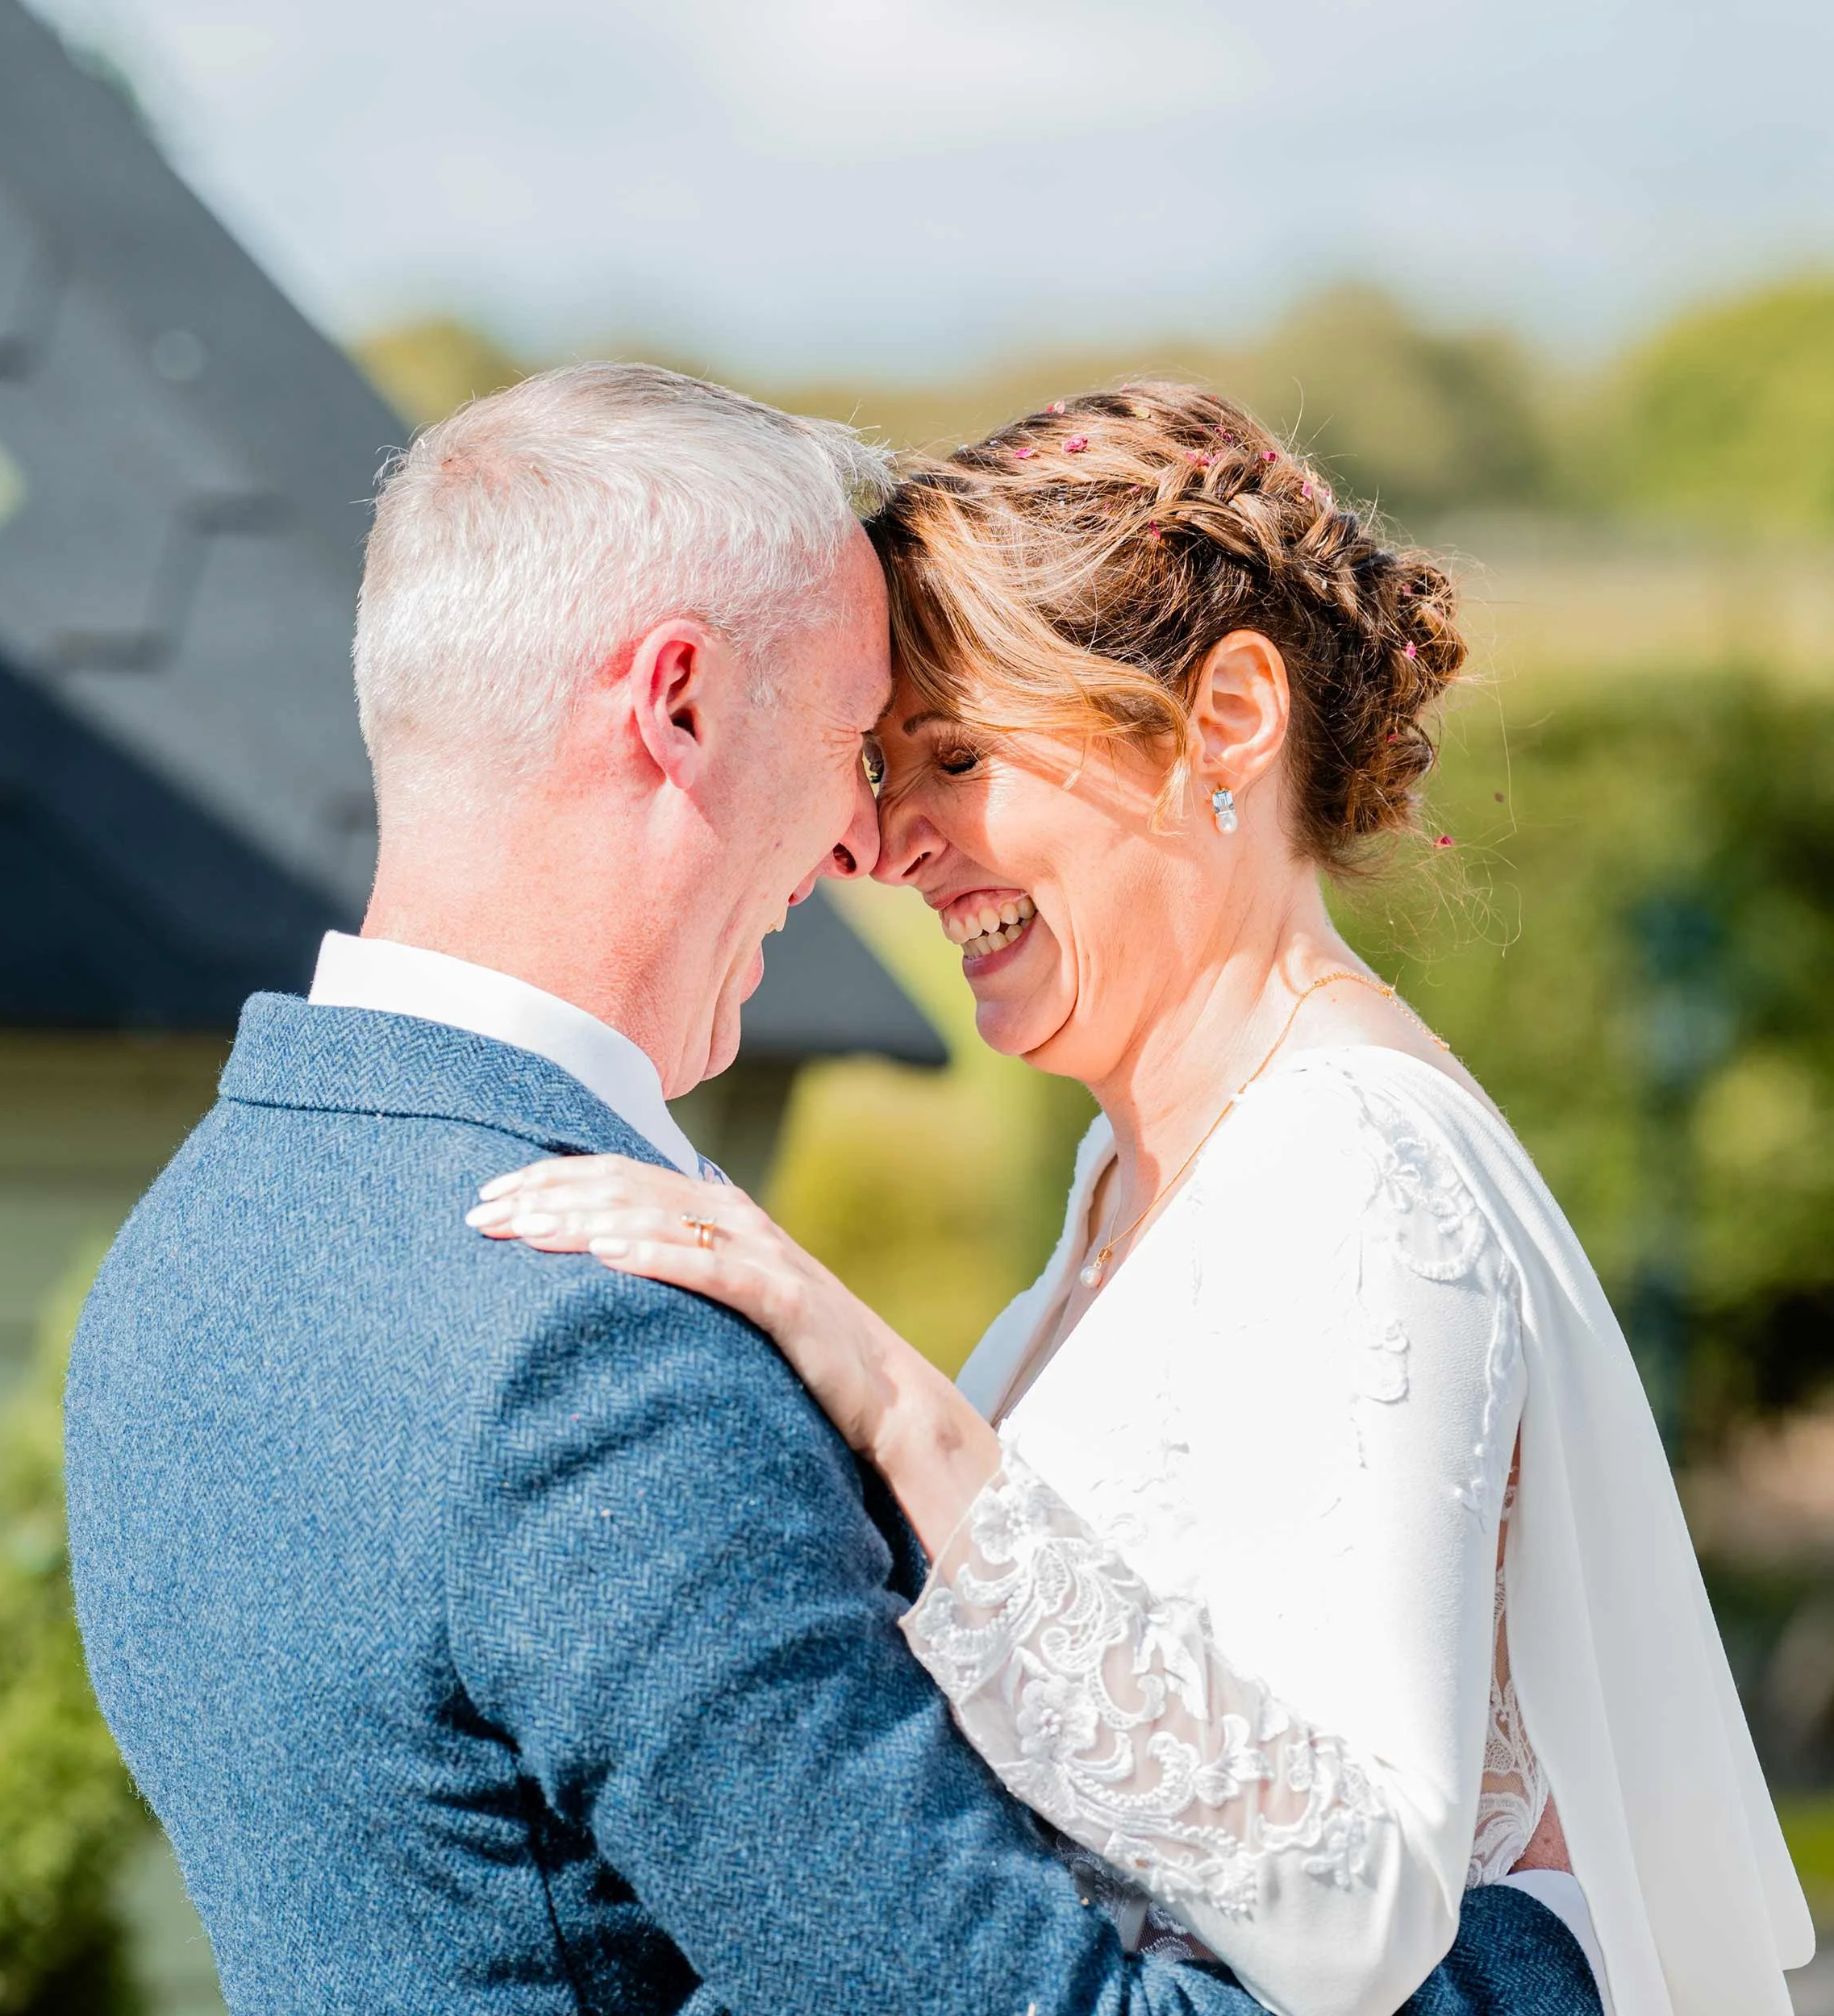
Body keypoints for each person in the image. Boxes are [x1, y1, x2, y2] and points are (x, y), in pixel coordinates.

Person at [62, 365, 1591, 2015]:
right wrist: (1542, 1952)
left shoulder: (188, 1244)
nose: (868, 843)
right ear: (680, 706)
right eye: (862, 740)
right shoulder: (597, 1364)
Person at [473, 384, 1815, 2016]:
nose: (888, 844)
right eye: (880, 766)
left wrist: (884, 1386)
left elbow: (1355, 1903)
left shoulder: (1357, 1175)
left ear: (1228, 717)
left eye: (956, 755)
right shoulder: (1134, 1167)